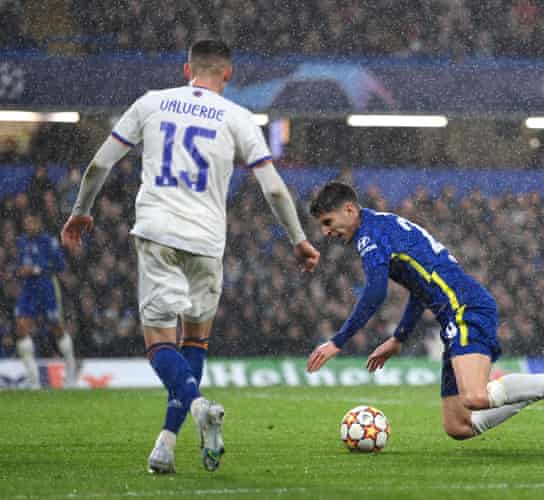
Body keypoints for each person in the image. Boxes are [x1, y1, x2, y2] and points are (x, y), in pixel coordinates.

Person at [60, 40, 320, 474]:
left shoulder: (152, 103)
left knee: (160, 346)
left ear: (186, 69)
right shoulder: (238, 117)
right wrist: (298, 238)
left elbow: (98, 166)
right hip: (206, 242)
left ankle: (196, 407)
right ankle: (165, 444)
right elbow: (273, 187)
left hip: (158, 235)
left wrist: (81, 211)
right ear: (228, 75)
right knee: (195, 342)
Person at [306, 181, 544, 442]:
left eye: (328, 223)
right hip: (454, 312)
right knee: (458, 426)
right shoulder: (383, 226)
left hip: (464, 306)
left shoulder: (370, 237)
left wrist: (338, 340)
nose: (326, 233)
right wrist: (400, 338)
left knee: (475, 398)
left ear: (349, 210)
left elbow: (375, 292)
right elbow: (420, 290)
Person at [14, 213, 77, 389]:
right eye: (26, 222)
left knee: (57, 329)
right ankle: (33, 379)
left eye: (31, 222)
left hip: (46, 288)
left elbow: (60, 266)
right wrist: (20, 271)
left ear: (38, 223)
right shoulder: (22, 242)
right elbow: (19, 264)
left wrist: (35, 269)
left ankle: (71, 372)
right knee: (21, 328)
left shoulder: (49, 241)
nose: (29, 225)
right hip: (28, 291)